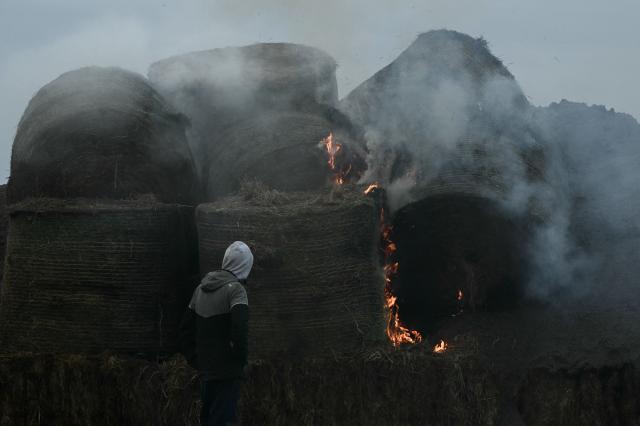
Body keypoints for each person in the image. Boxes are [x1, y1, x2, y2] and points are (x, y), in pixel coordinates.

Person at [180, 241, 253, 426]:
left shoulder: (200, 289)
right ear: (246, 265)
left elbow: (184, 330)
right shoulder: (237, 290)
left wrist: (194, 359)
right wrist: (240, 360)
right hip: (227, 372)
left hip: (206, 371)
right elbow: (240, 329)